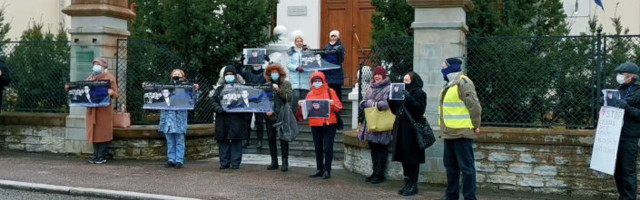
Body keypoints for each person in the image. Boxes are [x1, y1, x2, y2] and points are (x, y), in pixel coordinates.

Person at [438, 57, 482, 200]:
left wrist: (476, 125)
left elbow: (474, 106)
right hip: (449, 133)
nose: (442, 69)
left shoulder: (463, 83)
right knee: (451, 167)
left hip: (462, 133)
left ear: (452, 67)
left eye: (444, 66)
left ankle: (469, 197)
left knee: (467, 169)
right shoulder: (449, 84)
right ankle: (451, 195)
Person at [65, 57, 118, 164]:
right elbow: (81, 88)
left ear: (104, 66)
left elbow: (116, 94)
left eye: (98, 64)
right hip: (91, 110)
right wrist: (70, 88)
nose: (95, 66)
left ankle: (101, 156)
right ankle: (96, 155)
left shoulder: (109, 77)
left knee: (103, 133)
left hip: (103, 111)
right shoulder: (91, 77)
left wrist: (111, 92)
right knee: (93, 132)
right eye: (94, 64)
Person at [388, 72, 426, 196]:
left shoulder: (419, 93)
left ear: (413, 81)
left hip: (413, 131)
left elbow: (420, 110)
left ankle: (413, 185)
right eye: (403, 80)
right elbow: (395, 111)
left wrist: (409, 98)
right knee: (404, 158)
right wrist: (391, 99)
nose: (404, 83)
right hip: (401, 129)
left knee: (412, 159)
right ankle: (407, 183)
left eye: (407, 80)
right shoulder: (401, 93)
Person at [301, 71, 343, 179]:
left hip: (329, 123)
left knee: (328, 148)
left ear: (323, 81)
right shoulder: (309, 94)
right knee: (318, 148)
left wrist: (333, 104)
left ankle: (327, 170)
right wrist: (301, 106)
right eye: (315, 81)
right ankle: (319, 168)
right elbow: (305, 113)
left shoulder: (330, 91)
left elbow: (339, 107)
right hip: (315, 124)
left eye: (319, 80)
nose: (317, 82)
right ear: (312, 82)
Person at [155, 69, 199, 169]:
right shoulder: (165, 87)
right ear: (171, 76)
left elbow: (194, 100)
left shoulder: (187, 88)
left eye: (178, 74)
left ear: (183, 77)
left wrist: (195, 90)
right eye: (175, 74)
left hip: (179, 118)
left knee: (179, 140)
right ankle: (171, 159)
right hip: (168, 118)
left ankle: (179, 160)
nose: (176, 75)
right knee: (170, 140)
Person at [609, 62, 640, 200]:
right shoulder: (619, 89)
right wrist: (605, 102)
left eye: (622, 74)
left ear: (631, 76)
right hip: (615, 135)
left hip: (629, 136)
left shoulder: (638, 91)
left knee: (628, 170)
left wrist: (626, 107)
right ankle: (623, 196)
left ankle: (629, 198)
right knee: (618, 170)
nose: (619, 76)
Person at [211, 66, 252, 170]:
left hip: (236, 119)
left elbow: (247, 102)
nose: (229, 76)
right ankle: (224, 163)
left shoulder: (241, 88)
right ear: (224, 77)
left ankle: (235, 163)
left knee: (236, 141)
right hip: (222, 118)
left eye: (231, 74)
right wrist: (219, 109)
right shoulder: (219, 89)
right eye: (227, 75)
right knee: (223, 141)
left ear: (235, 76)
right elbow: (213, 101)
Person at [358, 66, 392, 184]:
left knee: (381, 149)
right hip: (371, 122)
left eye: (379, 74)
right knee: (373, 149)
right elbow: (364, 101)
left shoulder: (388, 88)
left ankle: (380, 174)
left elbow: (386, 104)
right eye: (375, 74)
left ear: (383, 75)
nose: (377, 76)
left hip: (382, 123)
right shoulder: (371, 88)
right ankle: (374, 171)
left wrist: (371, 103)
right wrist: (364, 103)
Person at [263, 63, 293, 171]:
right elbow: (262, 100)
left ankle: (285, 162)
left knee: (283, 139)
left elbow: (288, 97)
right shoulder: (266, 85)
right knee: (271, 139)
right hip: (269, 117)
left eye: (276, 72)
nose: (274, 74)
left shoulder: (286, 84)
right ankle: (274, 161)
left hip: (282, 116)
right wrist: (266, 110)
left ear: (280, 73)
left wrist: (278, 90)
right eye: (272, 73)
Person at [241, 64, 267, 148]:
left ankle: (260, 141)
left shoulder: (264, 73)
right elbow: (239, 72)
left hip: (260, 99)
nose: (256, 65)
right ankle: (245, 139)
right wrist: (242, 63)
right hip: (249, 98)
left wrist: (268, 62)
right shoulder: (247, 72)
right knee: (246, 120)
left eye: (258, 63)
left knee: (260, 121)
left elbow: (270, 74)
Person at [286, 35, 311, 115]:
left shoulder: (307, 51)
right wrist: (296, 68)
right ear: (295, 42)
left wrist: (305, 68)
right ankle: (294, 112)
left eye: (300, 41)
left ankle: (302, 113)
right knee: (296, 95)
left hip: (305, 78)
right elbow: (288, 64)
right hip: (295, 78)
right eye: (297, 41)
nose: (299, 43)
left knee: (303, 97)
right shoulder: (291, 52)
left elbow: (311, 62)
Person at [323, 30, 346, 102]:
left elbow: (341, 59)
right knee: (329, 92)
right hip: (328, 73)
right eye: (332, 36)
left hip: (337, 73)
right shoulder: (326, 47)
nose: (333, 38)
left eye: (334, 36)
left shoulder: (341, 47)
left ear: (337, 37)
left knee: (337, 93)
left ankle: (338, 109)